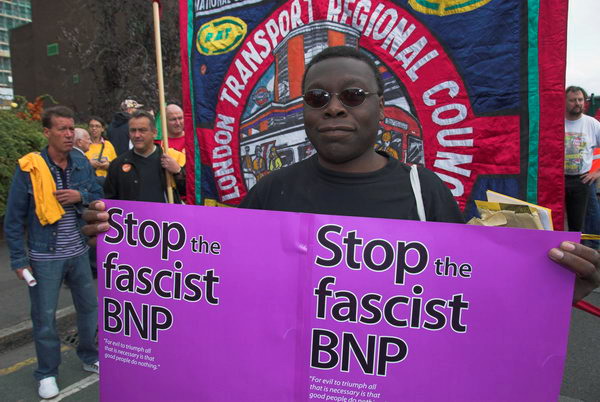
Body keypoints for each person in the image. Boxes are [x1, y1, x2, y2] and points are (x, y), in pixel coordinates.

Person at [83, 46, 599, 303]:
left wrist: (556, 292)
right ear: (303, 111)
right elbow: (214, 280)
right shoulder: (271, 191)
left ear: (379, 106)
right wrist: (126, 249)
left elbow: (472, 298)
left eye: (352, 96)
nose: (334, 108)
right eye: (317, 98)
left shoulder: (427, 193)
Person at [4, 106, 102, 399]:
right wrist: (19, 261)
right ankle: (46, 373)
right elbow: (14, 218)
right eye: (62, 129)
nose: (69, 134)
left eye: (72, 128)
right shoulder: (30, 167)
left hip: (78, 252)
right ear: (47, 132)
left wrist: (80, 196)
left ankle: (89, 356)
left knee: (88, 309)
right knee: (44, 318)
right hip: (44, 256)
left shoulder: (80, 162)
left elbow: (98, 195)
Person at [103, 110, 186, 203]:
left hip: (165, 216)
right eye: (133, 130)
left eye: (142, 130)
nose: (137, 135)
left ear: (154, 132)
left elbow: (189, 191)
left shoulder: (171, 158)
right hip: (134, 217)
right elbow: (110, 201)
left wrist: (178, 172)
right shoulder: (117, 165)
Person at [564, 86, 600, 232]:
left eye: (580, 100)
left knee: (579, 223)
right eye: (572, 100)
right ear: (564, 102)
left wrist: (597, 173)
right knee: (554, 218)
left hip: (582, 180)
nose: (577, 103)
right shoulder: (555, 123)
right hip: (557, 180)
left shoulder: (592, 124)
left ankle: (579, 250)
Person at [85, 116, 117, 184]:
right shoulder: (84, 144)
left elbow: (116, 165)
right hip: (89, 183)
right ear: (88, 128)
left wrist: (108, 165)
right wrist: (89, 164)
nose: (94, 128)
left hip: (106, 182)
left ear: (102, 129)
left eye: (97, 126)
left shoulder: (108, 145)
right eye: (91, 126)